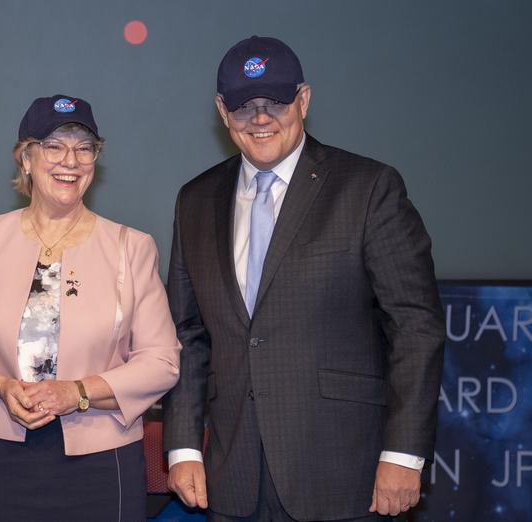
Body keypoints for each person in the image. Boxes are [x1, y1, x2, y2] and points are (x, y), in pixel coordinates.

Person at [162, 36, 445, 521]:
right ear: (222, 111)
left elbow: (415, 328)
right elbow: (186, 334)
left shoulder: (368, 187)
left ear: (304, 100)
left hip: (343, 473)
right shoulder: (196, 199)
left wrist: (402, 455)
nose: (261, 117)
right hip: (232, 478)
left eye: (276, 101)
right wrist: (184, 447)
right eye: (244, 105)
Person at [0, 94, 180, 521]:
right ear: (26, 158)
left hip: (102, 461)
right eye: (54, 146)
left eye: (84, 148)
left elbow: (162, 361)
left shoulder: (130, 247)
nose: (71, 160)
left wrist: (77, 393)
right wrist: (1, 386)